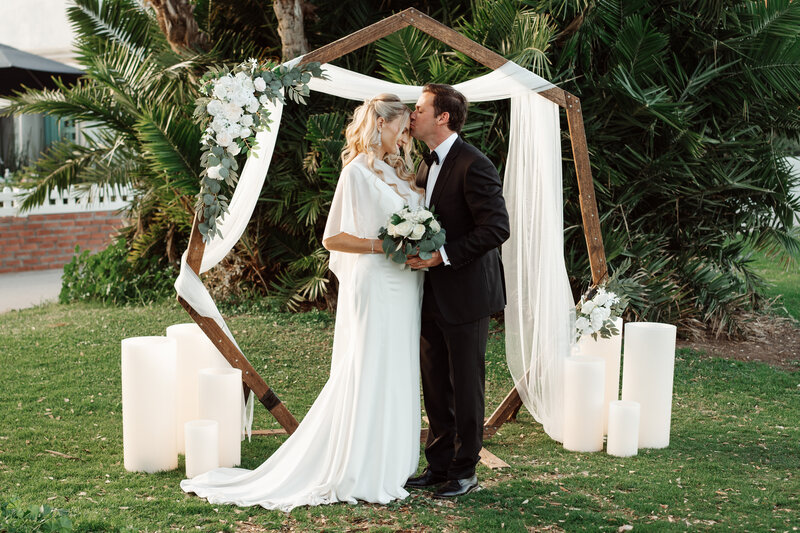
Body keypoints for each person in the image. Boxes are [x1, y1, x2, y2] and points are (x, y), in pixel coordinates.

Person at [181, 94, 425, 512]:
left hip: (405, 284)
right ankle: (360, 466)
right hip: (375, 280)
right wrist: (383, 246)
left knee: (398, 365)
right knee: (370, 365)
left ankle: (392, 462)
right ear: (379, 124)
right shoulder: (357, 174)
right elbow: (332, 238)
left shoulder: (399, 171)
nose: (406, 134)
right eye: (402, 126)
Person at [405, 84, 510, 498]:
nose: (412, 115)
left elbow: (496, 228)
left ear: (442, 116)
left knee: (466, 385)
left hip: (467, 293)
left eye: (419, 109)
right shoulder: (425, 164)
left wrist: (443, 257)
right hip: (430, 293)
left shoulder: (474, 164)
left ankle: (465, 470)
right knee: (435, 384)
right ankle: (439, 465)